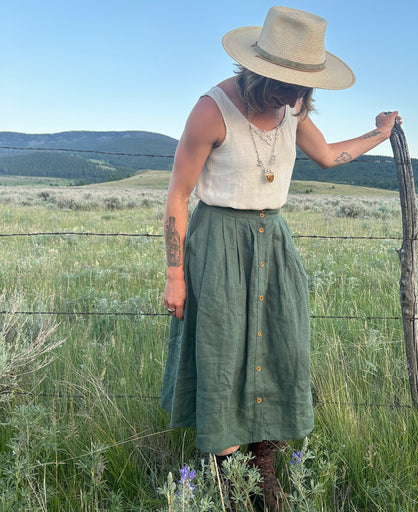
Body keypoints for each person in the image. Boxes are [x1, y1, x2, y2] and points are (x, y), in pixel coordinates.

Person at [161, 5, 401, 510]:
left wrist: (378, 133)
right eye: (282, 84)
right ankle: (232, 485)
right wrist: (175, 274)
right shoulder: (212, 109)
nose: (291, 96)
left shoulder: (294, 109)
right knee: (223, 354)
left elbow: (329, 155)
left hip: (275, 241)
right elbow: (178, 196)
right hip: (219, 242)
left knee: (280, 351)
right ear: (254, 68)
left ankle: (263, 472)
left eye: (299, 87)